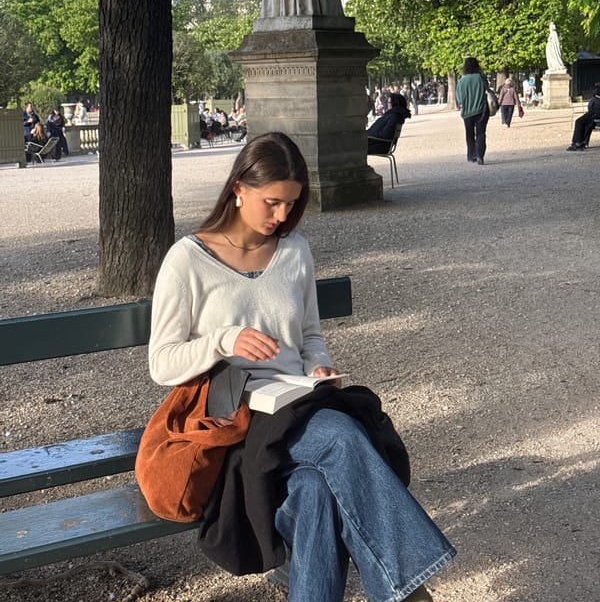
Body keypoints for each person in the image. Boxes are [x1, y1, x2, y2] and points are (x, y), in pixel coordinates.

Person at [148, 132, 455, 602]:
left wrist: (318, 368)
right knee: (341, 434)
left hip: (298, 406)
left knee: (314, 492)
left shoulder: (294, 253)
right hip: (236, 426)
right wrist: (223, 340)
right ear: (238, 189)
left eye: (292, 205)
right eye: (272, 203)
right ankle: (412, 593)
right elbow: (162, 362)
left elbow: (310, 337)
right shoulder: (188, 261)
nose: (282, 217)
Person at [455, 56, 489, 165]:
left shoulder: (461, 81)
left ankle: (472, 155)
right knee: (480, 133)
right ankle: (480, 155)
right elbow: (487, 89)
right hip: (481, 110)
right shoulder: (481, 77)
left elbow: (459, 98)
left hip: (467, 112)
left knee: (469, 134)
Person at [566, 85, 600, 151]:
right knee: (585, 123)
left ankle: (577, 142)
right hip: (595, 114)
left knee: (579, 122)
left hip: (595, 114)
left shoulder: (595, 99)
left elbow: (591, 108)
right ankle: (580, 142)